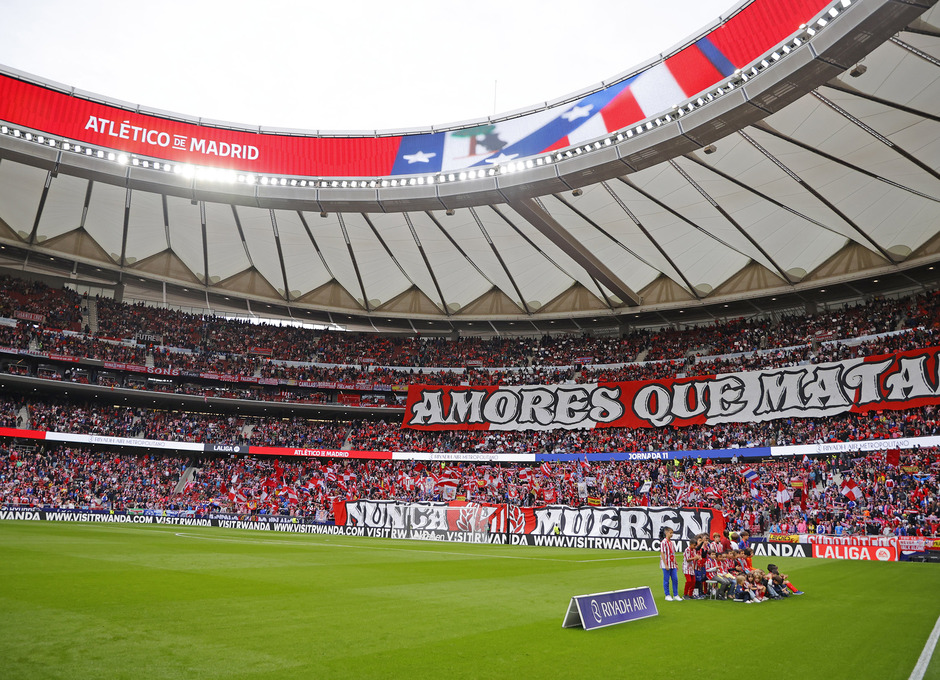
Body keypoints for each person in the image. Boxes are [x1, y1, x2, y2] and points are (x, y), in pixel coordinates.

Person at [660, 527, 681, 601]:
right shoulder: (663, 542)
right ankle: (667, 595)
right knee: (666, 580)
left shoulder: (671, 543)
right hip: (666, 564)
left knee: (675, 579)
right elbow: (662, 553)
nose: (672, 534)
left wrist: (676, 563)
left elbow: (673, 553)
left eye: (672, 533)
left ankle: (676, 594)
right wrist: (665, 564)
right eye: (670, 533)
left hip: (672, 564)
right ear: (666, 533)